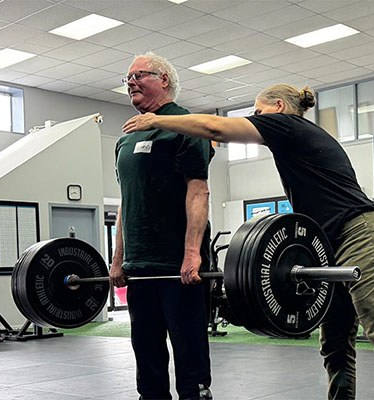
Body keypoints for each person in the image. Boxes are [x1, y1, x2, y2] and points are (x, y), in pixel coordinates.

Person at [122, 83, 374, 400]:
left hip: (360, 232)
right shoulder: (291, 138)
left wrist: (155, 121)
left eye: (258, 112)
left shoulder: (287, 125)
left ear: (279, 107)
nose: (256, 119)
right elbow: (212, 133)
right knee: (334, 341)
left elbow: (217, 126)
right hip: (324, 242)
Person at [110, 52, 215, 400]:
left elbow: (198, 191)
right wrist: (117, 259)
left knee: (189, 359)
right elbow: (128, 201)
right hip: (140, 268)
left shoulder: (187, 126)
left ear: (164, 79)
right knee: (148, 360)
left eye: (139, 75)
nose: (131, 83)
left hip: (178, 267)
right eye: (127, 78)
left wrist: (191, 254)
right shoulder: (125, 139)